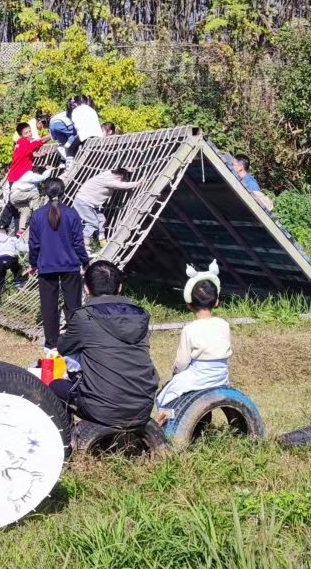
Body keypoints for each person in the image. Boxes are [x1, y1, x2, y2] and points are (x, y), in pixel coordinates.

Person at [51, 261, 158, 429]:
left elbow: (64, 348)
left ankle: (67, 435)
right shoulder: (141, 315)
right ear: (120, 286)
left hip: (102, 409)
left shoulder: (84, 317)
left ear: (86, 288)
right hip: (143, 406)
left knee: (55, 386)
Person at [156, 266, 231, 411]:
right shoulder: (224, 324)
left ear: (189, 305)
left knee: (165, 395)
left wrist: (176, 375)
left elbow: (182, 362)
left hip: (199, 377)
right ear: (216, 302)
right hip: (221, 375)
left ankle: (167, 423)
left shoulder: (189, 329)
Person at [27, 177, 88, 351]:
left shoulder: (38, 215)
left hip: (46, 265)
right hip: (70, 265)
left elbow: (34, 244)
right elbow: (78, 243)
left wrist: (33, 263)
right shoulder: (71, 213)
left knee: (48, 305)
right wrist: (85, 262)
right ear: (63, 192)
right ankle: (75, 342)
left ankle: (51, 343)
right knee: (73, 305)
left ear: (45, 193)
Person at [72, 166, 139, 250]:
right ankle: (84, 244)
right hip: (83, 202)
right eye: (121, 179)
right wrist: (137, 183)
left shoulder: (108, 173)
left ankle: (102, 241)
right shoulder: (108, 180)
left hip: (88, 203)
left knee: (101, 220)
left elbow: (116, 171)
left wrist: (126, 169)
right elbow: (121, 185)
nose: (120, 181)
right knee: (93, 222)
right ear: (119, 177)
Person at [1, 121, 45, 232]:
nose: (29, 134)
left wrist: (34, 154)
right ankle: (3, 224)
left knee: (18, 205)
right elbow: (39, 142)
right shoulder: (25, 142)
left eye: (30, 131)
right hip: (17, 178)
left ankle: (17, 229)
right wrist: (52, 135)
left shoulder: (20, 143)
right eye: (26, 133)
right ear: (21, 135)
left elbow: (27, 152)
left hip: (16, 177)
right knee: (12, 202)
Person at [0, 227, 28, 308]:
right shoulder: (12, 239)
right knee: (18, 268)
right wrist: (31, 247)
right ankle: (18, 282)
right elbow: (22, 247)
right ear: (5, 234)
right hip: (11, 259)